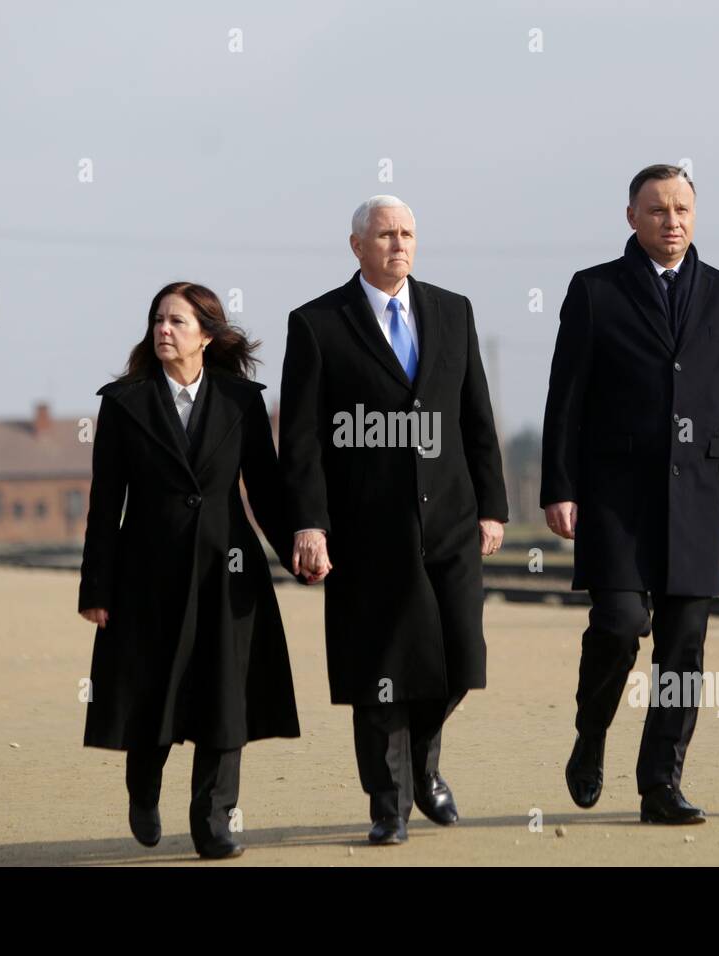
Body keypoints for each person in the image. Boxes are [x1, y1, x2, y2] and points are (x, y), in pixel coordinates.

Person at [279, 195, 508, 845]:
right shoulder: (318, 323)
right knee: (379, 671)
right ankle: (390, 803)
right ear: (356, 246)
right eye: (384, 235)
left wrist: (492, 506)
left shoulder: (452, 312)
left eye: (407, 234)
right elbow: (299, 442)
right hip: (366, 528)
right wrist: (309, 524)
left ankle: (425, 766)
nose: (397, 245)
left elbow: (475, 419)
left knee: (462, 658)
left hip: (453, 521)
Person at [541, 164, 719, 824]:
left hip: (695, 499)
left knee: (684, 647)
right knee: (621, 625)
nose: (672, 221)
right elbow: (565, 398)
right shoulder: (595, 290)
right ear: (632, 217)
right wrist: (560, 486)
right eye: (657, 210)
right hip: (615, 499)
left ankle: (661, 782)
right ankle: (592, 731)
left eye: (683, 208)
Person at [77, 281, 306, 859]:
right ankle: (143, 788)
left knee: (225, 697)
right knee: (153, 693)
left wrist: (300, 550)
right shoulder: (124, 403)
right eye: (157, 319)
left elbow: (268, 492)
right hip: (145, 577)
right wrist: (96, 588)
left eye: (177, 321)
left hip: (228, 573)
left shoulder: (240, 401)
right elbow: (105, 504)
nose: (163, 330)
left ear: (207, 334)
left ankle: (213, 821)